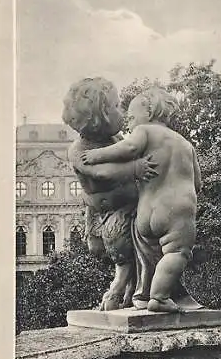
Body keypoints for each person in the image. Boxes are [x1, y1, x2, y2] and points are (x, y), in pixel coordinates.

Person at [81, 86, 202, 313]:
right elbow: (197, 183)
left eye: (132, 117)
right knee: (177, 253)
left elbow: (128, 147)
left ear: (148, 112)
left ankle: (143, 293)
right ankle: (159, 297)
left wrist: (97, 155)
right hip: (176, 210)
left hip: (144, 212)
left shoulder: (144, 132)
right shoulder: (185, 144)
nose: (130, 122)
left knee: (148, 253)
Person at [62, 77, 158, 310]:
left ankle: (121, 287)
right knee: (108, 248)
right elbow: (101, 173)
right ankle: (127, 288)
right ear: (97, 118)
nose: (122, 110)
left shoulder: (117, 139)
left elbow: (131, 151)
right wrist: (135, 169)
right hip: (101, 210)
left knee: (125, 252)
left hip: (126, 207)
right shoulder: (78, 150)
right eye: (115, 106)